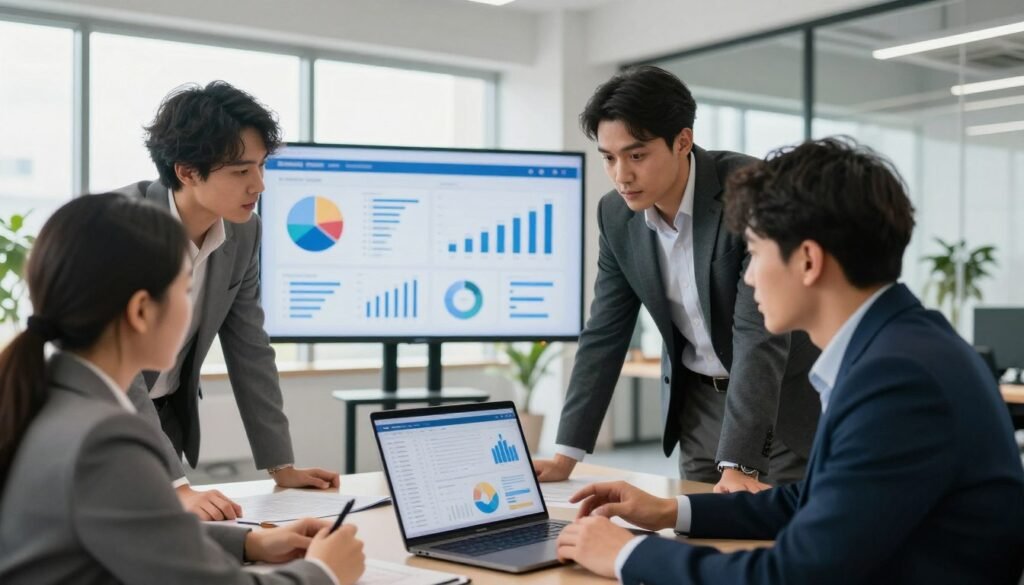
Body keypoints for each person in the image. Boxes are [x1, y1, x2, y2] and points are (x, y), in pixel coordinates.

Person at [554, 137, 1024, 584]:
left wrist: (626, 554)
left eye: (754, 254)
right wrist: (670, 511)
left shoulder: (896, 380)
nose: (751, 278)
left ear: (807, 261)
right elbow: (816, 500)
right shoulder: (898, 347)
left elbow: (794, 576)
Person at [0, 193, 366, 585]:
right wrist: (323, 571)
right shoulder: (103, 439)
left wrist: (251, 542)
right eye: (185, 289)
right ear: (141, 312)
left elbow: (135, 528)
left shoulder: (45, 399)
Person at [533, 66, 821, 491]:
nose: (621, 175)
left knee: (779, 537)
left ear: (682, 141)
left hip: (779, 402)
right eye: (609, 158)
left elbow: (758, 335)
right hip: (698, 406)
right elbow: (605, 332)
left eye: (636, 155)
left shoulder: (752, 190)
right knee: (696, 531)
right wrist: (565, 455)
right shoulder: (615, 215)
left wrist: (740, 463)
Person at [114, 81, 338, 521]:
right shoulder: (120, 224)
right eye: (240, 171)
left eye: (261, 166)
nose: (259, 185)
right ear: (186, 171)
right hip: (98, 417)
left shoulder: (243, 231)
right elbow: (115, 366)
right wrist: (176, 483)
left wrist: (282, 465)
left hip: (165, 416)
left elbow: (249, 345)